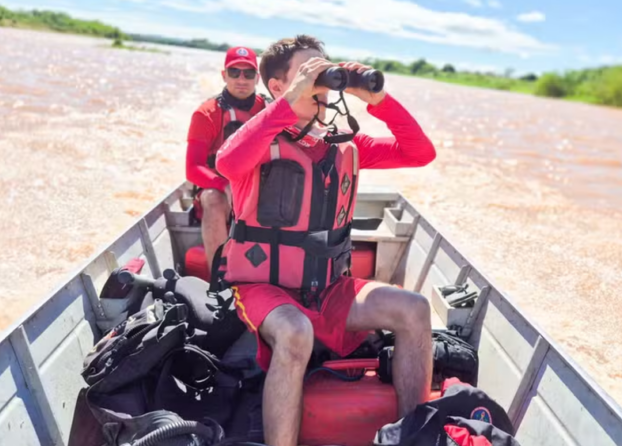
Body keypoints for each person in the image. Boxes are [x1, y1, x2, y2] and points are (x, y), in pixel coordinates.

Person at [213, 35, 437, 446]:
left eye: (325, 71)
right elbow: (226, 162)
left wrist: (378, 99)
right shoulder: (260, 139)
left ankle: (412, 436)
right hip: (264, 288)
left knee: (414, 308)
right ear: (278, 86)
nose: (322, 82)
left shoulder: (343, 143)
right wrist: (288, 104)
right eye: (309, 73)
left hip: (330, 289)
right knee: (296, 331)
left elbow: (420, 152)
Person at [185, 46, 267, 269]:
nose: (242, 79)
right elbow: (192, 169)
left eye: (248, 73)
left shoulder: (270, 109)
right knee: (212, 198)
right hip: (218, 191)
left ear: (257, 78)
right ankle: (219, 276)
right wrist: (225, 186)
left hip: (259, 187)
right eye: (234, 72)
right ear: (224, 75)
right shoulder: (206, 114)